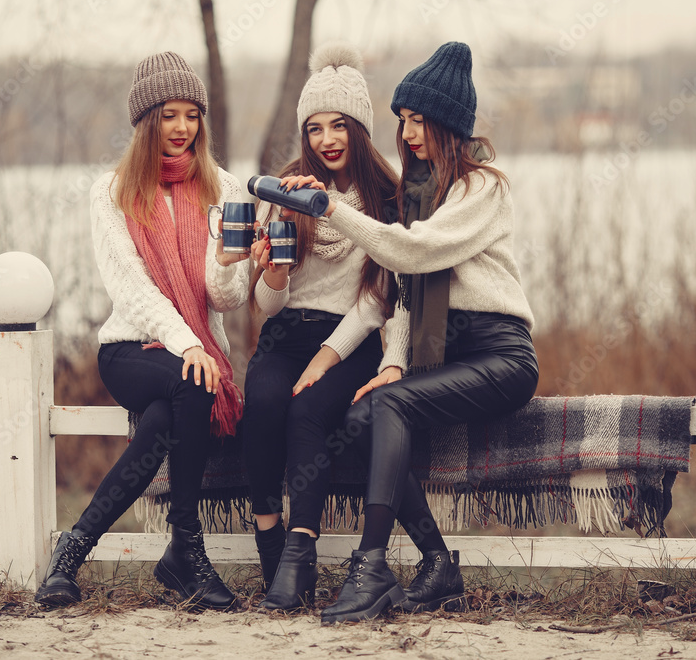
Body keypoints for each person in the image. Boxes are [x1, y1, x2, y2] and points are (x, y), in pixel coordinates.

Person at [282, 41, 540, 625]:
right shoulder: (417, 194)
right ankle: (436, 563)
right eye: (403, 120)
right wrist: (392, 362)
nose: (410, 133)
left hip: (500, 355)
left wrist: (330, 207)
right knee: (359, 417)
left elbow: (412, 252)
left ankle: (370, 565)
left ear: (448, 124)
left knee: (387, 407)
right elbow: (397, 294)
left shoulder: (482, 189)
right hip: (442, 359)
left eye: (420, 120)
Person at [35, 52, 250, 611]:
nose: (182, 128)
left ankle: (71, 554)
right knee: (193, 381)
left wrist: (229, 264)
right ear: (145, 120)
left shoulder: (224, 186)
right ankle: (187, 551)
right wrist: (189, 345)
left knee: (164, 419)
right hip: (132, 349)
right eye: (169, 115)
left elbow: (228, 299)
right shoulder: (112, 191)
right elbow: (130, 289)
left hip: (192, 357)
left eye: (191, 115)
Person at [241, 42, 401, 610]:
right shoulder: (286, 190)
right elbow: (264, 305)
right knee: (261, 402)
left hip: (348, 342)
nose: (326, 139)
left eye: (339, 126)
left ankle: (300, 556)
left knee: (307, 409)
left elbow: (378, 301)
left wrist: (329, 355)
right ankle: (269, 543)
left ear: (359, 128)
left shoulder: (386, 197)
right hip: (285, 336)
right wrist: (277, 271)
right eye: (314, 128)